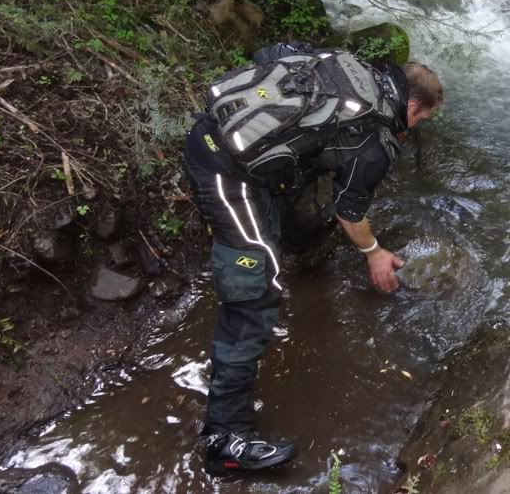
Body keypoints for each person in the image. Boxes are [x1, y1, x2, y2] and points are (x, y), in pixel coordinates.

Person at [182, 41, 443, 475]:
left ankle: (295, 244)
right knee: (254, 296)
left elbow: (269, 54)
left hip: (211, 130)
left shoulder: (342, 63)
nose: (413, 128)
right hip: (227, 174)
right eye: (420, 120)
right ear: (412, 106)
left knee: (296, 196)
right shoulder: (377, 140)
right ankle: (224, 440)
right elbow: (350, 212)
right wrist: (374, 253)